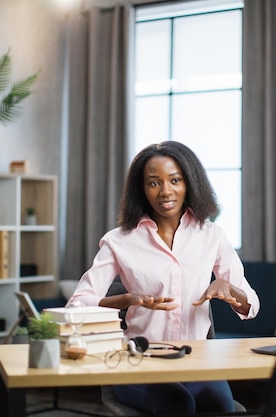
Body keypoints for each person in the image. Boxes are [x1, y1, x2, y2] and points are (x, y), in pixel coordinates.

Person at [69, 141, 260, 415]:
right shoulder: (118, 240)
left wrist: (229, 288)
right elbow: (77, 305)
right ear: (142, 189)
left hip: (196, 360)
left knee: (219, 405)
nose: (166, 191)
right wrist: (126, 299)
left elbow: (251, 304)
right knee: (176, 402)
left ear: (189, 183)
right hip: (138, 361)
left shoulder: (212, 236)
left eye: (175, 180)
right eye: (154, 183)